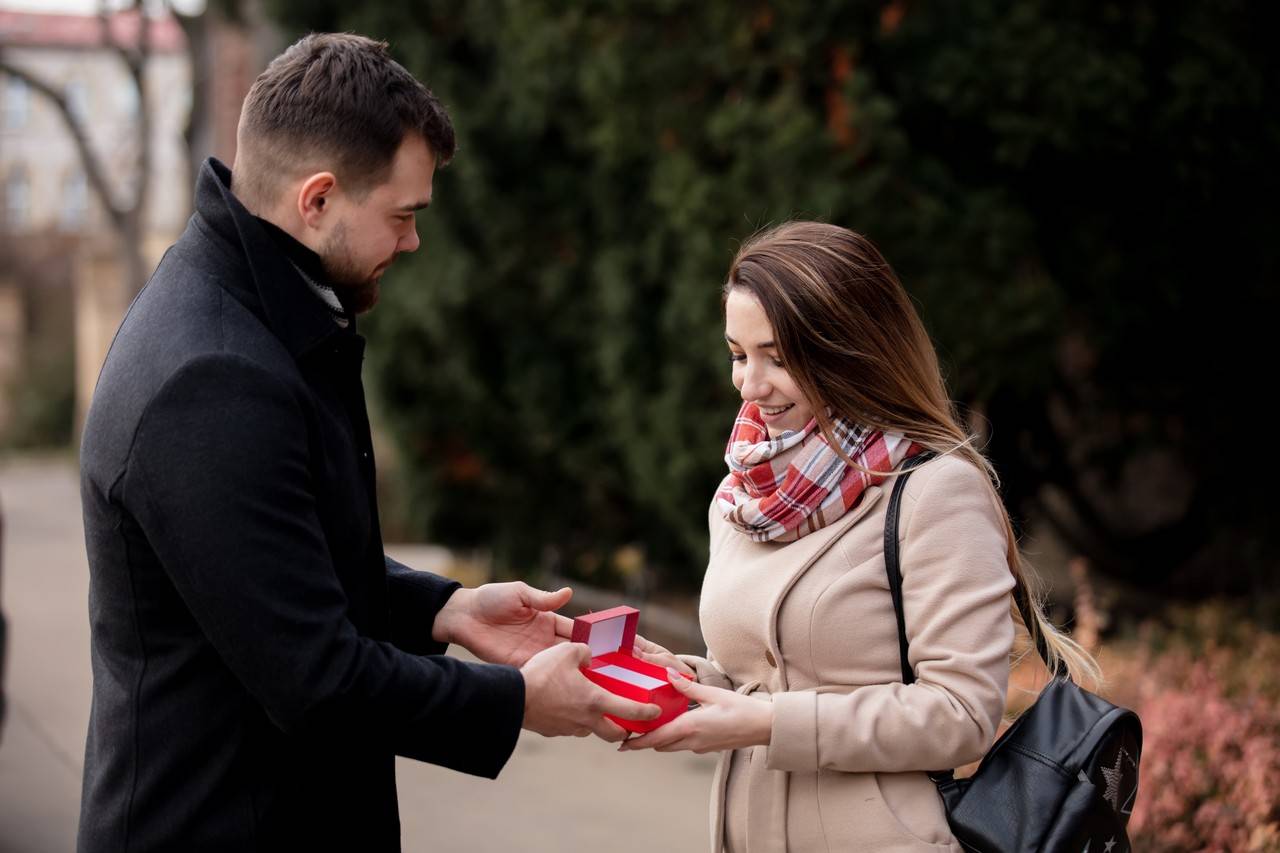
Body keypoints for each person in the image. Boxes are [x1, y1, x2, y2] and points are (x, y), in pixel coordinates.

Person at [77, 33, 659, 852]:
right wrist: (518, 700)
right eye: (402, 215)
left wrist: (447, 608)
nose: (413, 242)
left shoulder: (256, 307)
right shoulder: (211, 378)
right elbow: (316, 678)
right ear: (317, 199)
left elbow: (279, 563)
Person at [625, 222, 1100, 852]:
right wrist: (688, 683)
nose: (750, 384)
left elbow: (961, 714)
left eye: (780, 358)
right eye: (739, 354)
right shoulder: (742, 495)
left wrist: (770, 722)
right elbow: (767, 678)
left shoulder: (935, 490)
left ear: (850, 352)